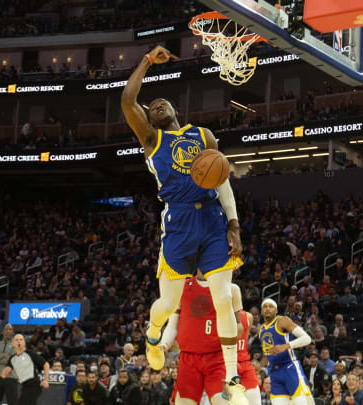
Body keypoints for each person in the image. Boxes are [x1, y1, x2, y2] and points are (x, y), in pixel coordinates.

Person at [121, 45, 244, 399]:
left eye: (164, 103)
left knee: (222, 298)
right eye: (153, 105)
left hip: (212, 220)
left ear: (176, 110)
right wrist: (145, 61)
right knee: (168, 304)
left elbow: (222, 181)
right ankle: (152, 333)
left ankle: (232, 377)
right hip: (178, 221)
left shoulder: (203, 135)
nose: (157, 105)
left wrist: (233, 224)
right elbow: (128, 102)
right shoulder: (151, 138)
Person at [160, 275, 249, 405]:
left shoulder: (231, 288)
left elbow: (239, 326)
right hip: (188, 358)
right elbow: (172, 325)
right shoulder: (181, 286)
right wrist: (163, 345)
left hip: (217, 358)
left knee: (225, 402)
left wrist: (231, 354)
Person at [259, 298, 314, 405]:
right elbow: (267, 355)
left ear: (276, 311)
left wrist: (286, 346)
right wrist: (258, 368)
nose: (267, 309)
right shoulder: (261, 329)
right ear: (261, 311)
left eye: (271, 306)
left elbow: (307, 339)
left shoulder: (282, 321)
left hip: (290, 368)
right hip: (274, 373)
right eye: (265, 307)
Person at [1, 334, 50, 405]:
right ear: (13, 343)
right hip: (24, 385)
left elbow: (46, 365)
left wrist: (45, 380)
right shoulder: (12, 359)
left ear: (24, 342)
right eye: (16, 340)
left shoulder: (30, 353)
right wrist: (5, 372)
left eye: (21, 340)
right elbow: (3, 376)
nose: (19, 341)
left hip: (34, 384)